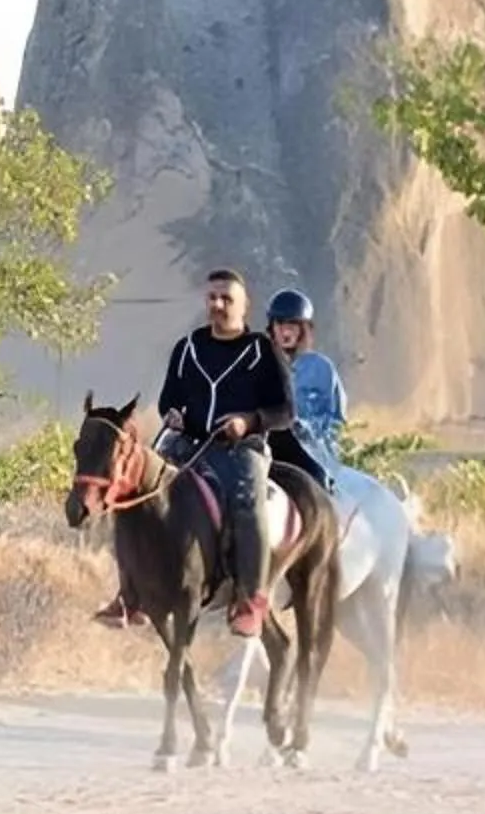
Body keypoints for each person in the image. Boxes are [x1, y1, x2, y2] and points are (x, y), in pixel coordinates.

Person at [97, 268, 297, 639]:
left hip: (240, 449)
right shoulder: (187, 348)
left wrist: (249, 421)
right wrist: (172, 414)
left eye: (227, 298)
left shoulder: (262, 350)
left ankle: (250, 600)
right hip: (186, 444)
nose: (218, 305)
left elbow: (285, 411)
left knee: (247, 501)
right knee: (135, 492)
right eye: (212, 297)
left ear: (245, 305)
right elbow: (169, 399)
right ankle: (129, 594)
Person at [265, 288, 345, 484]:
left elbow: (336, 421)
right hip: (268, 448)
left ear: (304, 329)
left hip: (311, 452)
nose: (285, 331)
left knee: (319, 481)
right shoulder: (260, 364)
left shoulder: (321, 369)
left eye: (292, 325)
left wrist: (307, 428)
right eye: (280, 324)